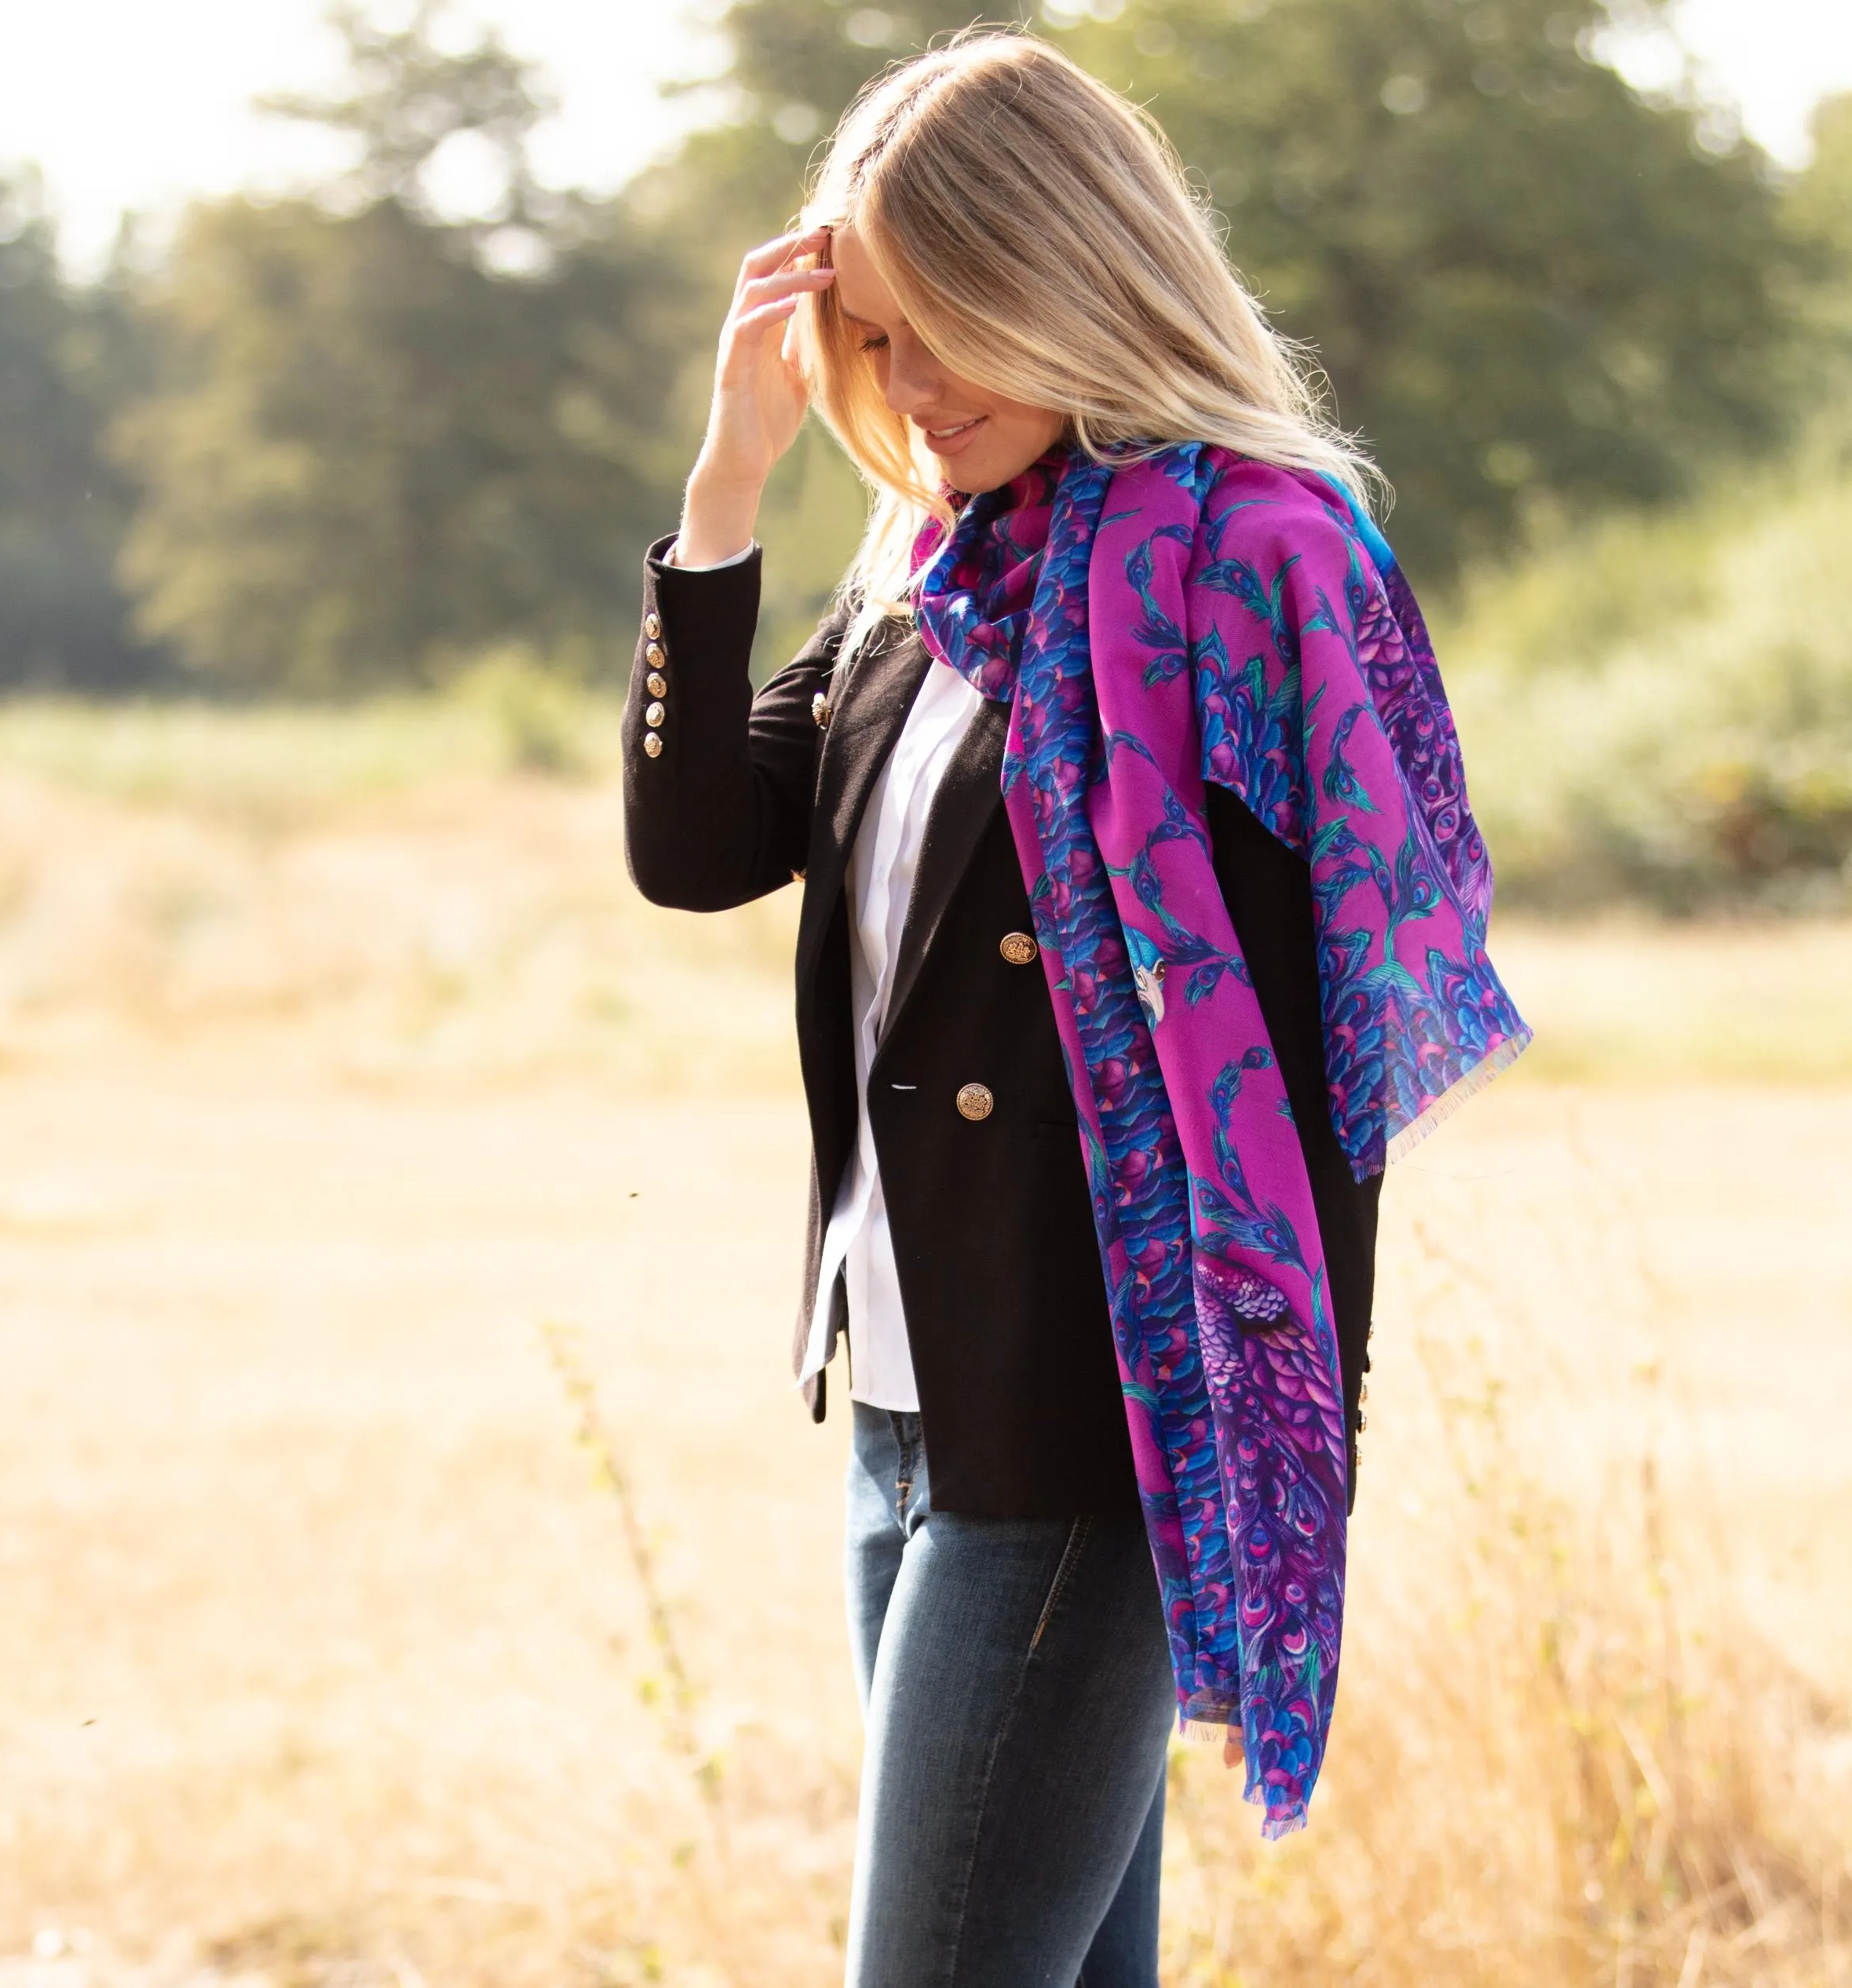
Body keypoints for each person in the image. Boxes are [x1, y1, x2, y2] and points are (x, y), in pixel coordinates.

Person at [621, 32, 1529, 1988]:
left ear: (1063, 276)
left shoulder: (1253, 568)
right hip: (899, 1392)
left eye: (941, 327)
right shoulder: (932, 576)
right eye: (869, 341)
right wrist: (726, 482)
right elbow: (699, 848)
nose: (906, 385)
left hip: (1098, 1420)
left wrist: (1247, 1429)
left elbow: (1303, 1073)